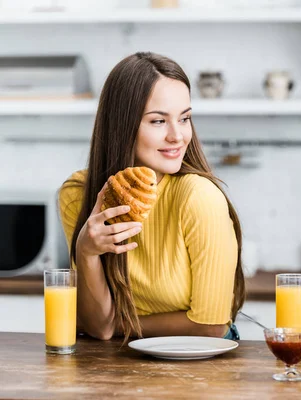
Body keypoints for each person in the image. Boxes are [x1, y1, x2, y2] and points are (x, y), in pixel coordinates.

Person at [58, 52, 244, 341]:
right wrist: (87, 251)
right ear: (122, 124)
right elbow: (98, 326)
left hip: (199, 361)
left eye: (185, 119)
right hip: (113, 364)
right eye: (158, 121)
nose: (178, 136)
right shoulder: (77, 194)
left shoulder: (199, 196)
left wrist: (116, 326)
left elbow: (212, 326)